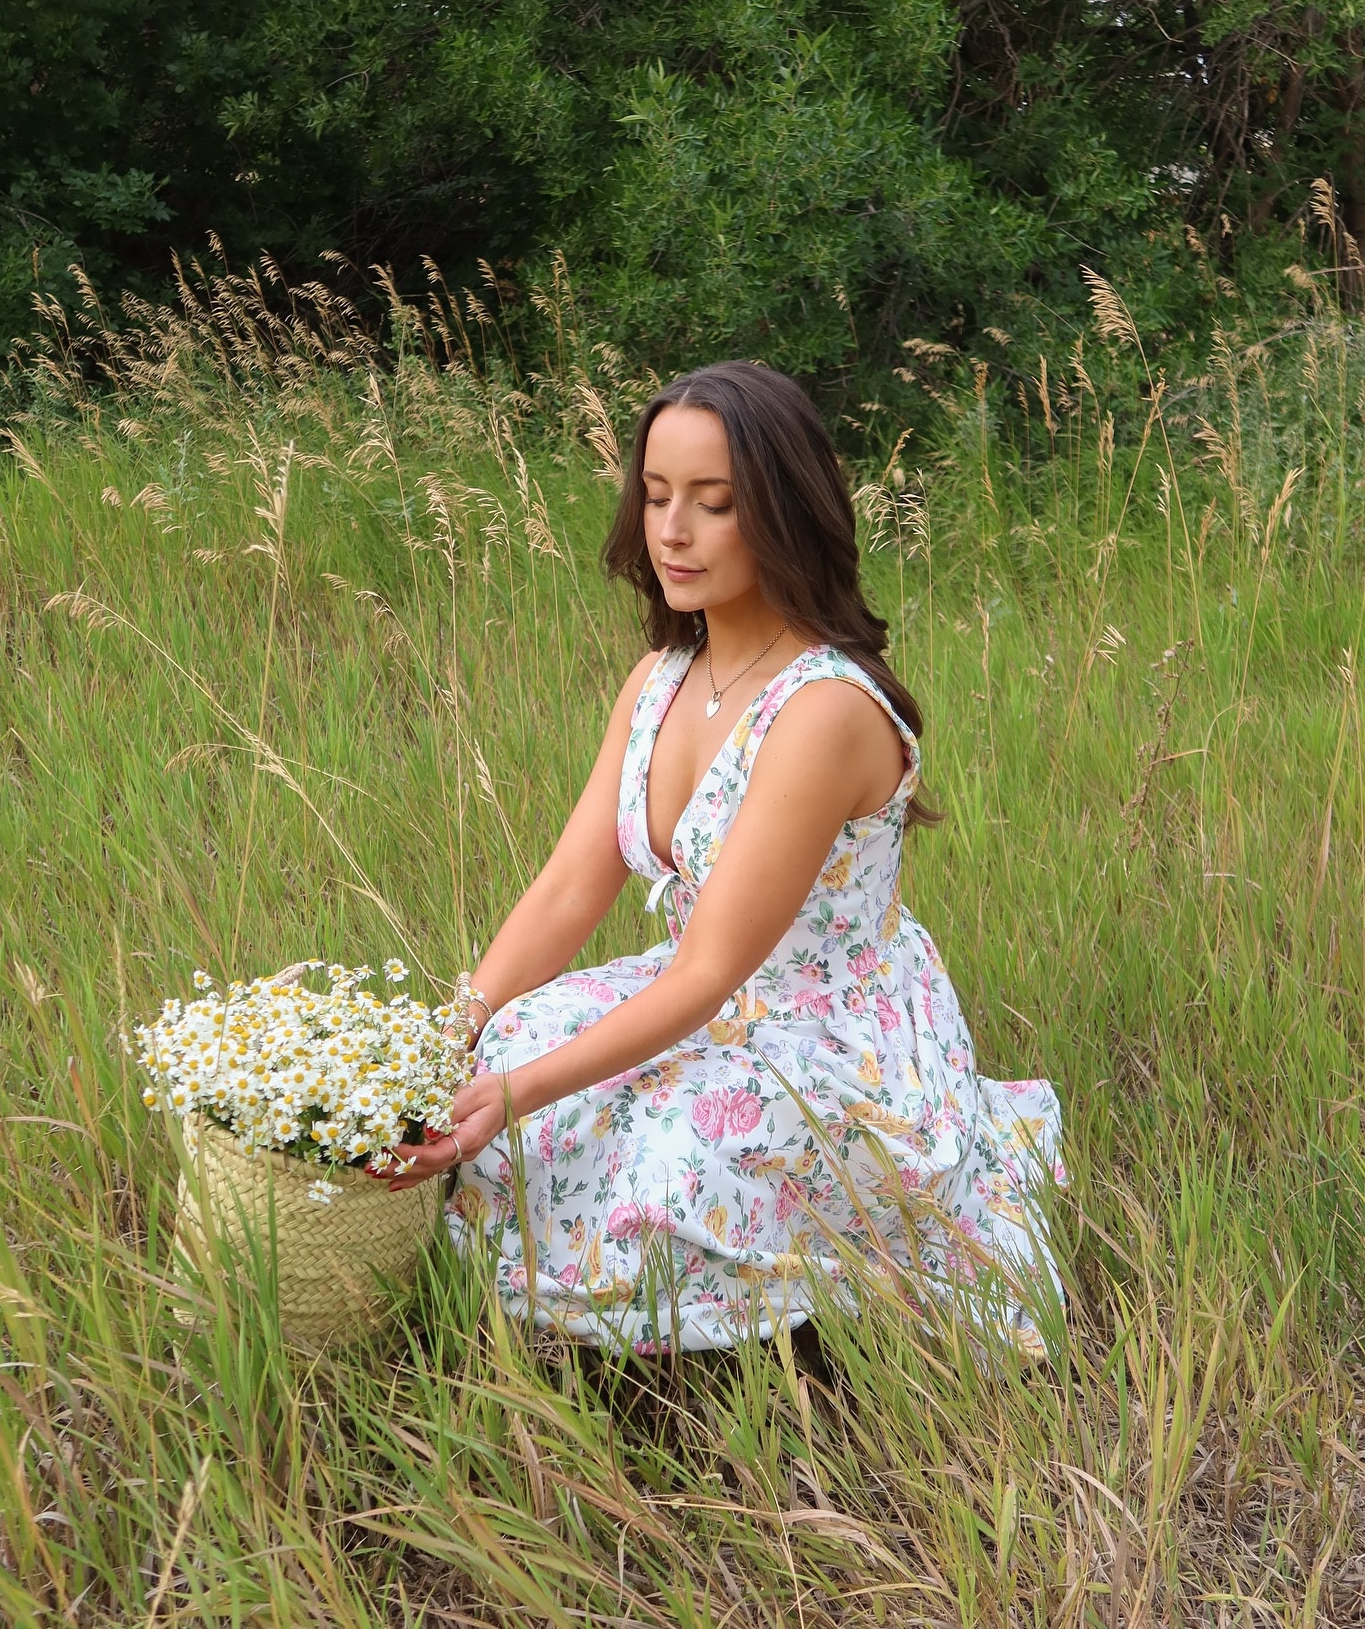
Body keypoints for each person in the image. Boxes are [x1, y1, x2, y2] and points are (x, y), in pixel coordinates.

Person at [377, 361, 1065, 1354]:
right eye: (656, 496)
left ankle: (764, 1349)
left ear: (781, 511)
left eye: (713, 502)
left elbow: (710, 969)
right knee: (508, 1042)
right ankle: (548, 1291)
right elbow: (573, 885)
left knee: (677, 1151)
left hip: (825, 1032)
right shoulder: (662, 679)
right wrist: (456, 1030)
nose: (672, 531)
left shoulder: (823, 707)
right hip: (699, 995)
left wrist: (516, 1095)